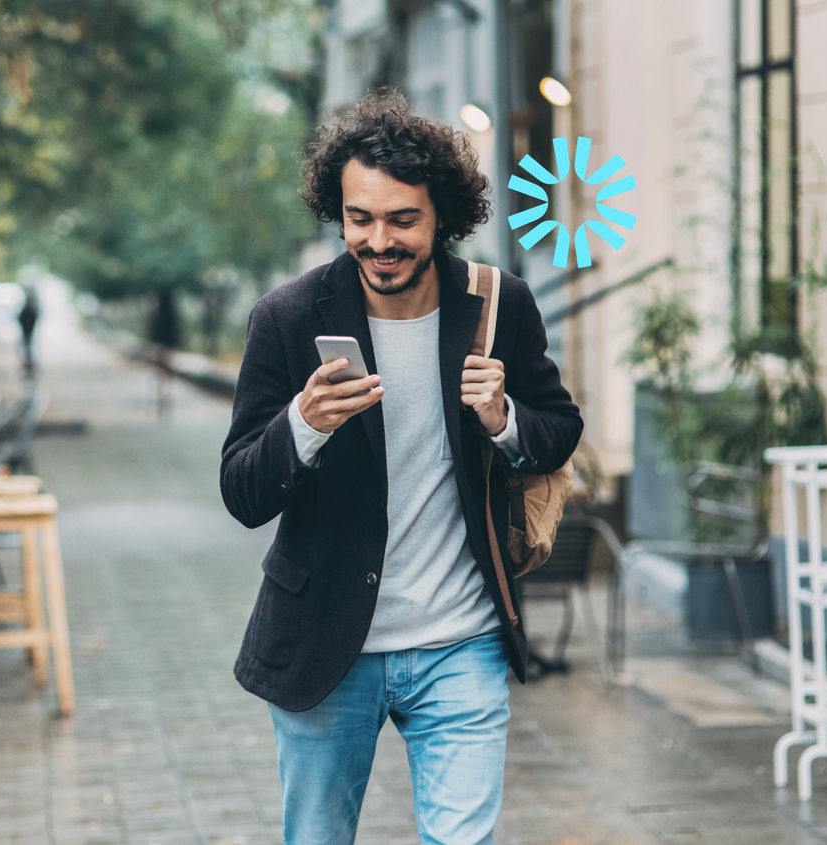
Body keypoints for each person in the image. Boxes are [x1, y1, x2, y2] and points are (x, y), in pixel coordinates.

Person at [219, 90, 583, 844]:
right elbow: (242, 489)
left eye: (402, 220)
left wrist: (506, 418)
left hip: (462, 640)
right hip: (326, 643)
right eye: (360, 218)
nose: (378, 240)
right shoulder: (288, 317)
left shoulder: (496, 305)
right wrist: (303, 425)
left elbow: (560, 429)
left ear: (443, 215)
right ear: (339, 211)